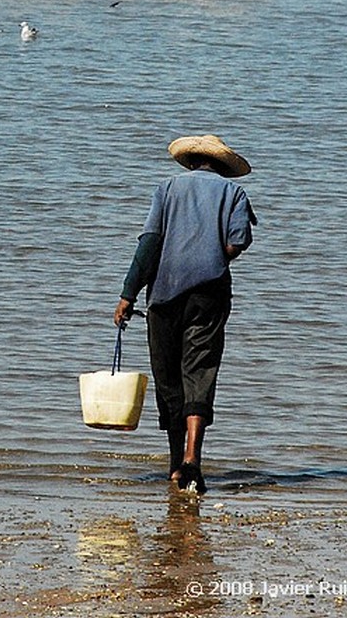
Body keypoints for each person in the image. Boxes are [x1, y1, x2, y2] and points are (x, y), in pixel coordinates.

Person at [114, 134, 257, 495]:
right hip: (209, 295)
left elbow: (149, 243)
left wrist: (127, 295)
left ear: (190, 161)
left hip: (163, 294)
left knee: (168, 378)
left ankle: (177, 464)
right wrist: (211, 252)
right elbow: (235, 244)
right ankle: (193, 458)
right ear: (222, 167)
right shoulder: (234, 194)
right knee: (200, 373)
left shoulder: (167, 189)